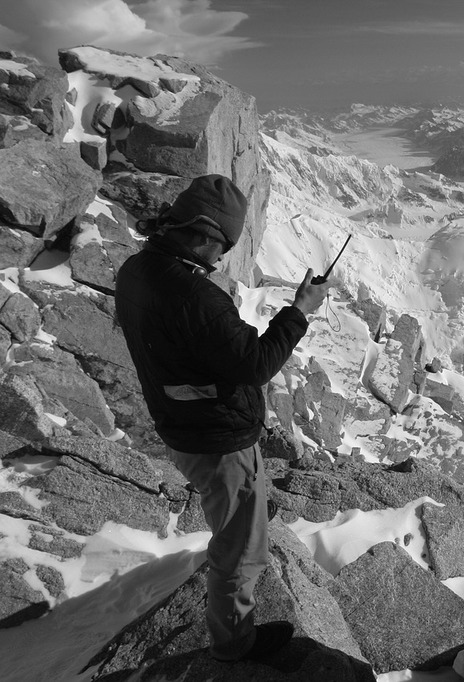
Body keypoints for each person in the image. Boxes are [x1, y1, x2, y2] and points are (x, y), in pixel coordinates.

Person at [114, 174, 329, 662]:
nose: (220, 258)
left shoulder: (136, 269)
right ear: (205, 234)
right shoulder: (197, 296)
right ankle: (235, 644)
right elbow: (254, 365)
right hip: (218, 441)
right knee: (240, 549)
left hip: (182, 427)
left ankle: (232, 627)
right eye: (223, 246)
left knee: (231, 532)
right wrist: (298, 311)